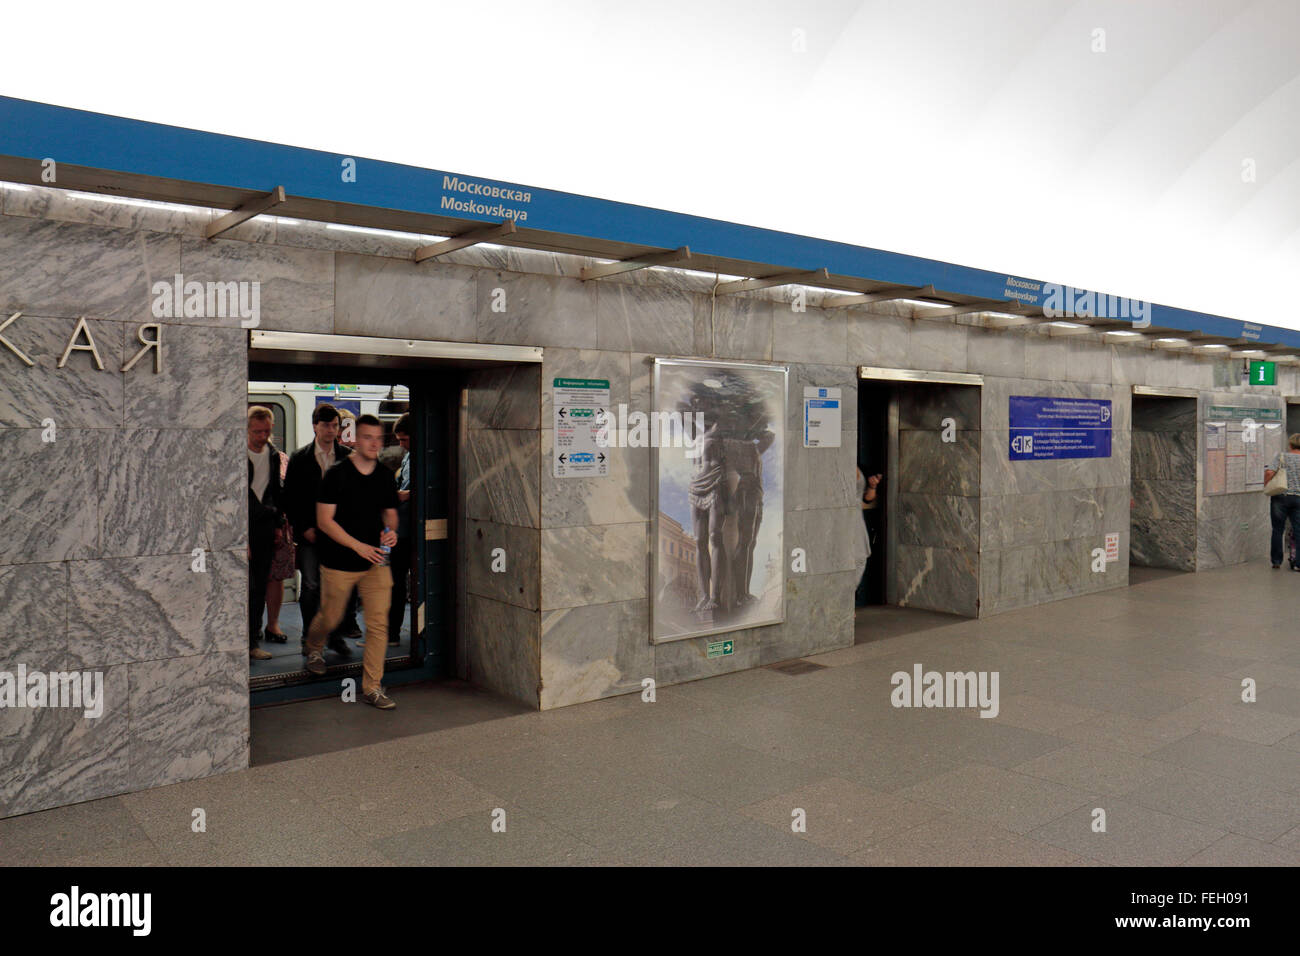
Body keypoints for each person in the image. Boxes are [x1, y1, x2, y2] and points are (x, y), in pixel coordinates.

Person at [304, 414, 400, 709]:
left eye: (379, 438)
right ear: (356, 440)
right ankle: (314, 647)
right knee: (331, 618)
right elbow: (324, 521)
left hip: (375, 563)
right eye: (368, 437)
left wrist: (392, 533)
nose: (374, 443)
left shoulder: (385, 475)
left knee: (378, 624)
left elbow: (390, 512)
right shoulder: (336, 474)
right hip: (339, 561)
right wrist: (358, 546)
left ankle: (372, 687)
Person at [283, 404, 354, 658]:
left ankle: (335, 636)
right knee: (311, 586)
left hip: (338, 534)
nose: (331, 430)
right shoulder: (300, 458)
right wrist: (304, 529)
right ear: (315, 426)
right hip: (311, 535)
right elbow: (291, 498)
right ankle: (309, 637)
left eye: (335, 425)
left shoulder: (346, 457)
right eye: (326, 425)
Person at [247, 406, 284, 661]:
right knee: (246, 587)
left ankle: (253, 640)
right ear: (247, 430)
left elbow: (275, 490)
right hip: (242, 525)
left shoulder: (272, 454)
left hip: (265, 525)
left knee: (259, 585)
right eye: (257, 432)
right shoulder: (235, 453)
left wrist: (279, 524)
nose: (262, 436)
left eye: (266, 432)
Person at [262, 446, 294, 642]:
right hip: (253, 522)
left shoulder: (281, 458)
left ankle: (273, 624)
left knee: (277, 576)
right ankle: (251, 625)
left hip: (280, 523)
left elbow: (288, 492)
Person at [387, 413, 413, 646]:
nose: (401, 444)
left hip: (408, 531)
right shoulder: (407, 457)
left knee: (396, 581)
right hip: (400, 528)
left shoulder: (416, 458)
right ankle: (392, 632)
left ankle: (393, 633)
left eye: (404, 439)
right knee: (394, 582)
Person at [1264, 434, 1300, 570]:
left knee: (1278, 529)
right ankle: (1298, 563)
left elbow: (1269, 473)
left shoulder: (1282, 456)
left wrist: (1266, 484)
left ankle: (1276, 561)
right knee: (1299, 530)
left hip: (1280, 496)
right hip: (1298, 498)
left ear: (1290, 445)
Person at [855, 467, 882, 606]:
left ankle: (847, 598)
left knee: (859, 559)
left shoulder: (859, 464)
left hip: (855, 520)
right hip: (838, 519)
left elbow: (867, 498)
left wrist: (872, 486)